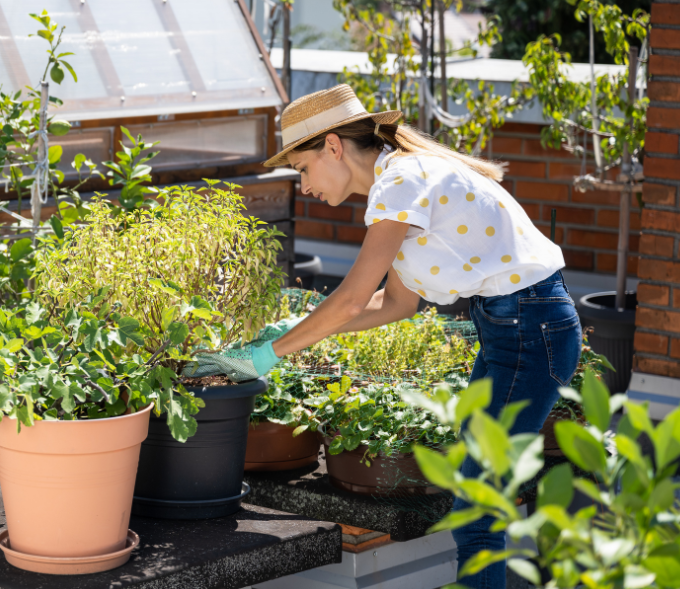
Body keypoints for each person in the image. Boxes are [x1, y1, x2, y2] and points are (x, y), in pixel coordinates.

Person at [191, 84, 582, 589]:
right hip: (514, 328)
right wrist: (296, 329)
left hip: (531, 329)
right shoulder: (400, 185)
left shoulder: (400, 183)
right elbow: (395, 303)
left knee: (479, 505)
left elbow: (353, 298)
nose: (304, 186)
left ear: (332, 146)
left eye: (303, 168)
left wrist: (269, 353)